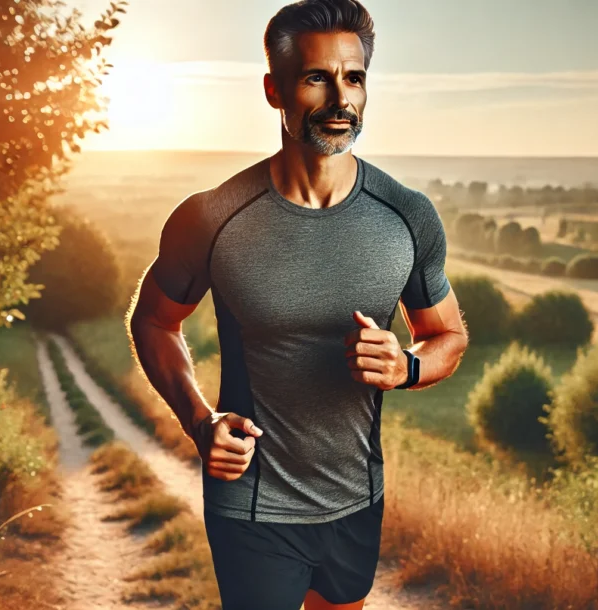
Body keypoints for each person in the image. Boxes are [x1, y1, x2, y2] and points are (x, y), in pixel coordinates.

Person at [127, 1, 469, 608]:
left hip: (356, 500)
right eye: (317, 77)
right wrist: (201, 423)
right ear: (274, 89)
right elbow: (154, 320)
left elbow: (447, 336)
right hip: (252, 501)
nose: (341, 98)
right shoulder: (213, 216)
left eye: (354, 77)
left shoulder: (407, 216)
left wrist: (406, 367)